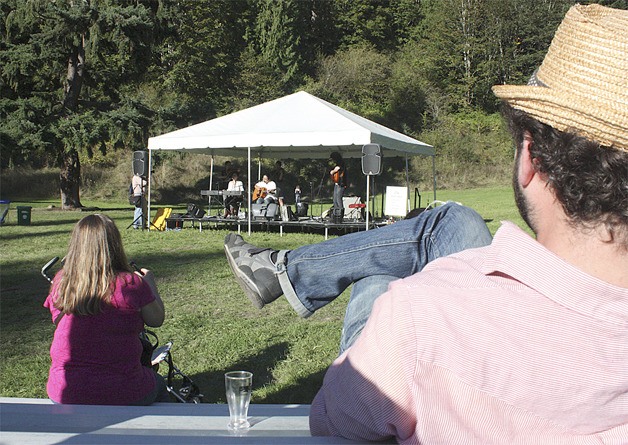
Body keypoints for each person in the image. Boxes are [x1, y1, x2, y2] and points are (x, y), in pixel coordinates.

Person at [224, 4, 628, 443]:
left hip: (397, 361)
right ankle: (284, 269)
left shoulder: (423, 314)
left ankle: (286, 269)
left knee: (381, 274)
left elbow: (331, 420)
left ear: (530, 158)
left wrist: (391, 304)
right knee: (454, 219)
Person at [44, 214, 169, 405]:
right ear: (114, 245)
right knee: (159, 384)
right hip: (123, 389)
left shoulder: (62, 281)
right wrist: (150, 284)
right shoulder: (130, 283)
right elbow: (156, 319)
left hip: (65, 390)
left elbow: (57, 320)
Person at [329, 152, 346, 223]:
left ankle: (340, 216)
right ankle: (335, 215)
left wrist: (332, 171)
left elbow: (337, 169)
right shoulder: (338, 164)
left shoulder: (341, 164)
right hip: (337, 184)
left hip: (341, 184)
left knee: (338, 199)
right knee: (335, 199)